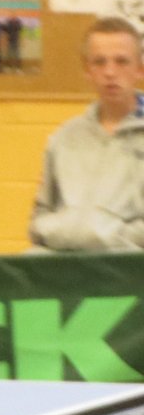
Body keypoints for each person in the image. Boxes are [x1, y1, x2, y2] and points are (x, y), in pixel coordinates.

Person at [29, 16, 144, 252]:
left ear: (139, 69)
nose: (110, 72)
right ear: (87, 70)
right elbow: (40, 215)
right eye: (99, 62)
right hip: (66, 264)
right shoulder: (64, 139)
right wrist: (62, 232)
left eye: (121, 61)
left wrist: (106, 236)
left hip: (129, 267)